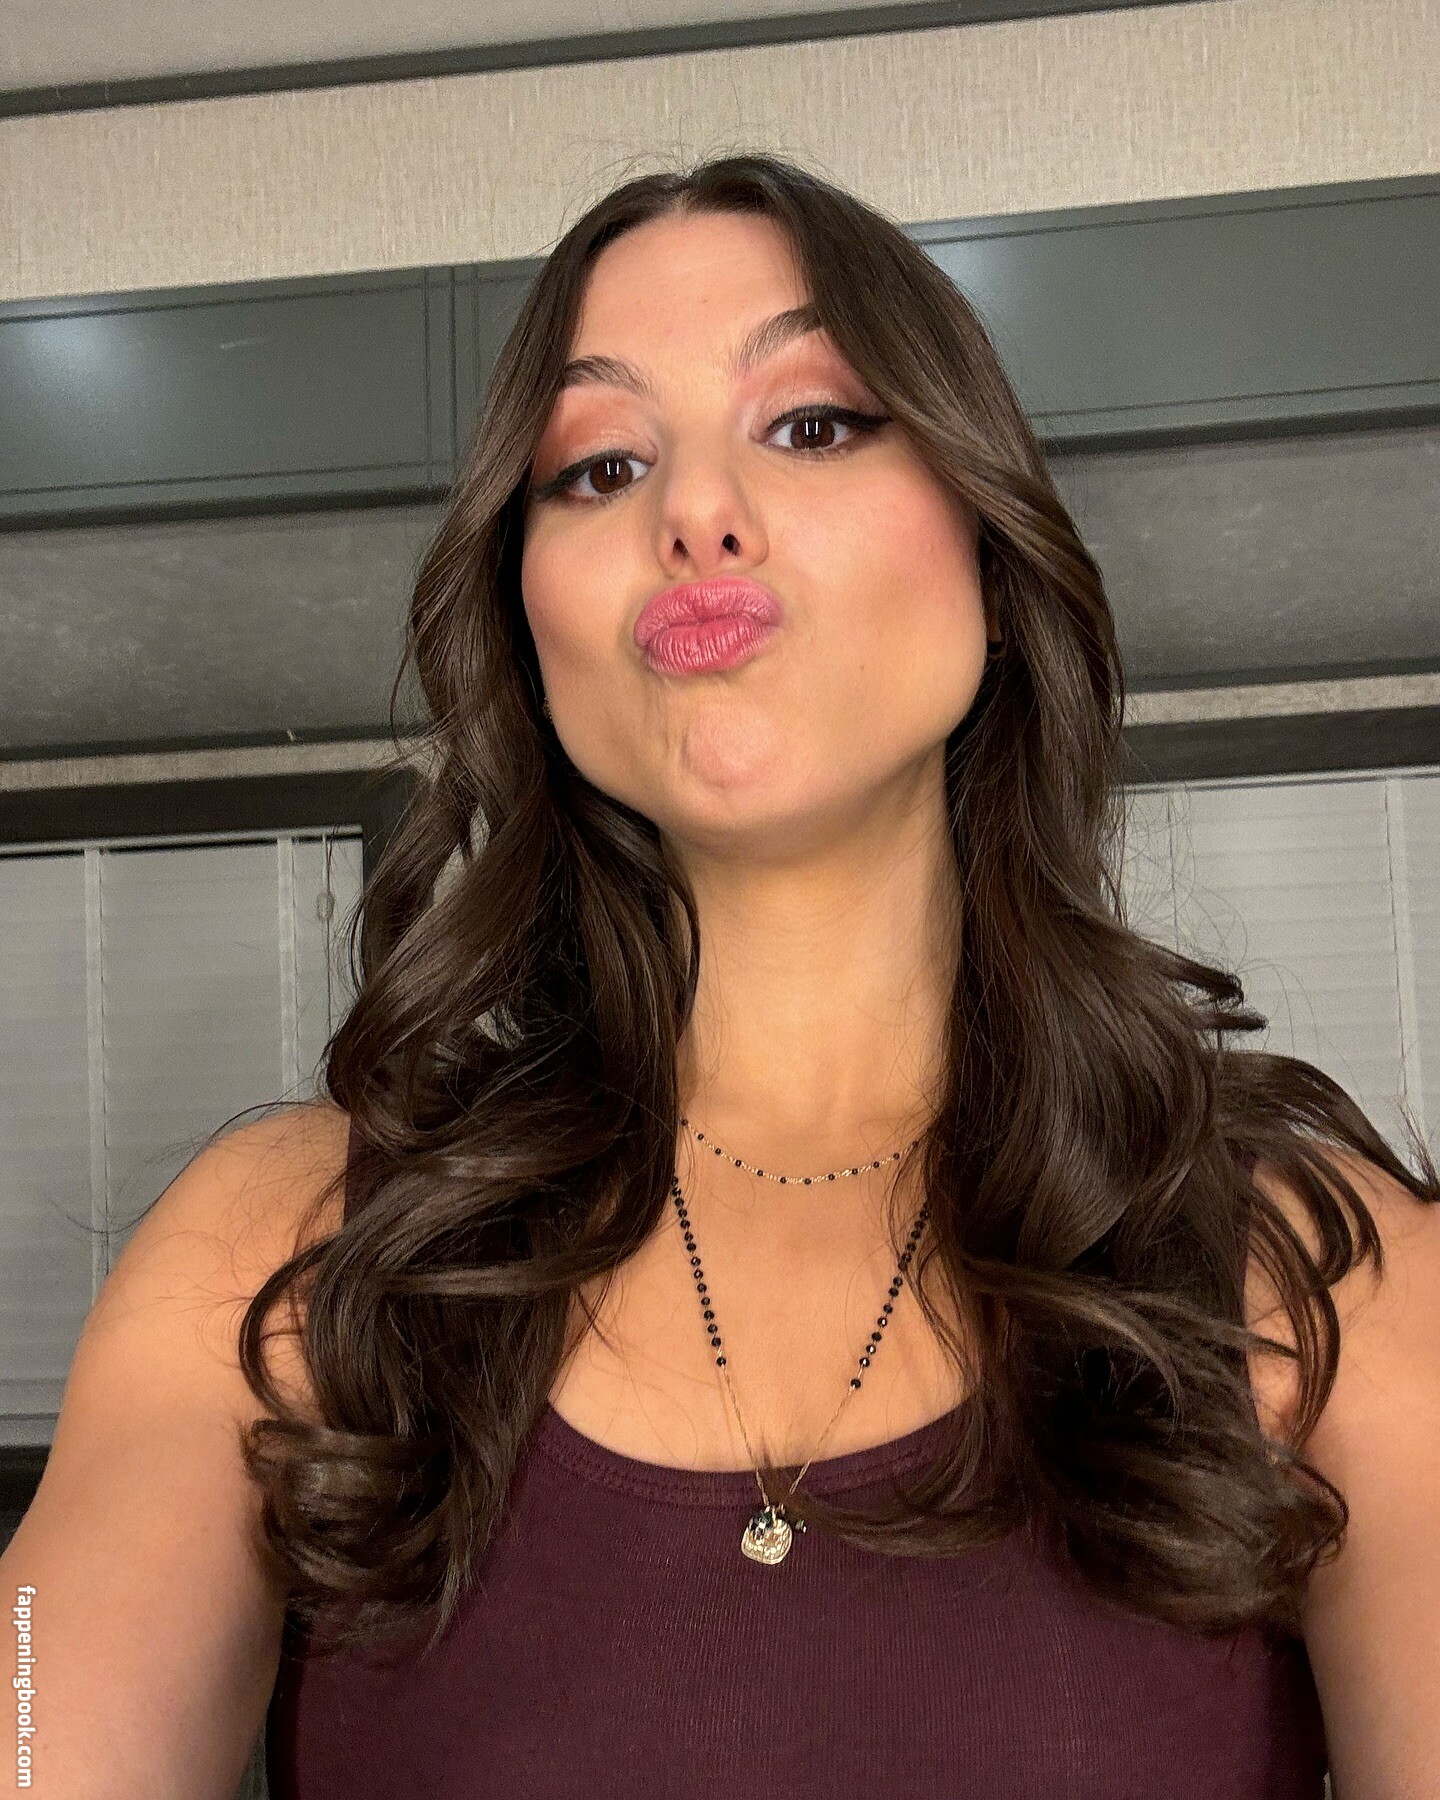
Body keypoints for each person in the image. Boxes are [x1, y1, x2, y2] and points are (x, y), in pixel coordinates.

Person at [4, 153, 1438, 1800]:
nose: (692, 509)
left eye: (812, 423)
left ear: (990, 549)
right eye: (599, 465)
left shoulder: (1326, 1286)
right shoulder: (283, 1256)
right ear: (526, 624)